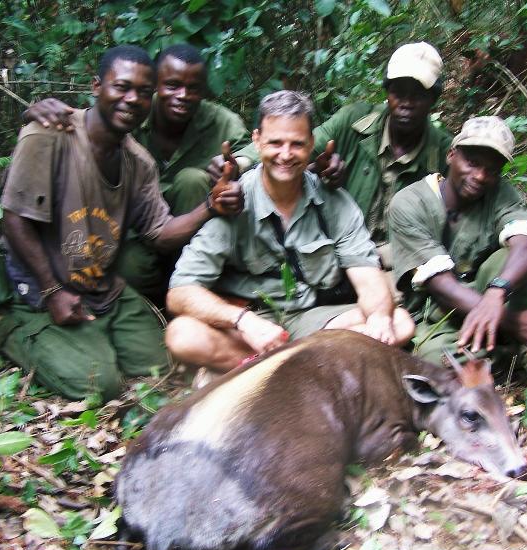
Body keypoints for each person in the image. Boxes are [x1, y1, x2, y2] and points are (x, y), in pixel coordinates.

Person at [0, 45, 243, 401]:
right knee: (98, 385)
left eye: (142, 92)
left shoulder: (138, 162)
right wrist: (52, 291)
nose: (132, 100)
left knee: (167, 363)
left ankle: (95, 338)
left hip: (101, 289)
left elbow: (160, 233)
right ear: (97, 86)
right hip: (40, 290)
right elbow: (14, 220)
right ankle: (6, 329)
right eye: (121, 87)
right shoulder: (49, 134)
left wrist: (210, 206)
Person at [165, 90, 415, 377]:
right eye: (275, 143)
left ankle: (276, 373)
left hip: (316, 320)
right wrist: (244, 321)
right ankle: (316, 369)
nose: (286, 155)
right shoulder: (235, 201)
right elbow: (180, 292)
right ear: (257, 141)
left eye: (297, 144)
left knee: (400, 323)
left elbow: (367, 276)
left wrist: (380, 318)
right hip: (255, 322)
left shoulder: (333, 201)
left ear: (311, 144)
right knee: (182, 335)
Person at [389, 116, 527, 422]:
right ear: (452, 155)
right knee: (437, 364)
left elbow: (526, 245)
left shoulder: (500, 194)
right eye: (471, 162)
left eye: (491, 169)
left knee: (510, 266)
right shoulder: (410, 202)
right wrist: (514, 323)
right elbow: (440, 284)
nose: (480, 175)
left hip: (491, 301)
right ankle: (501, 363)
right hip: (438, 315)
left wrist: (497, 294)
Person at [22, 43, 249, 300]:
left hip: (184, 230)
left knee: (192, 179)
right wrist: (39, 114)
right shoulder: (135, 109)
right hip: (131, 231)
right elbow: (90, 123)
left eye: (193, 88)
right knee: (128, 268)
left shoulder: (219, 120)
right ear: (157, 85)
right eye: (172, 85)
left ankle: (193, 288)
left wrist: (236, 164)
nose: (183, 95)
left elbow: (259, 145)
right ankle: (160, 301)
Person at [234, 42, 452, 267]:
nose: (406, 104)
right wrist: (239, 162)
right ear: (387, 92)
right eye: (399, 92)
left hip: (400, 262)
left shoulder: (443, 152)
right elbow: (295, 144)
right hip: (338, 252)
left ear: (433, 99)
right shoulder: (354, 121)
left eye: (418, 95)